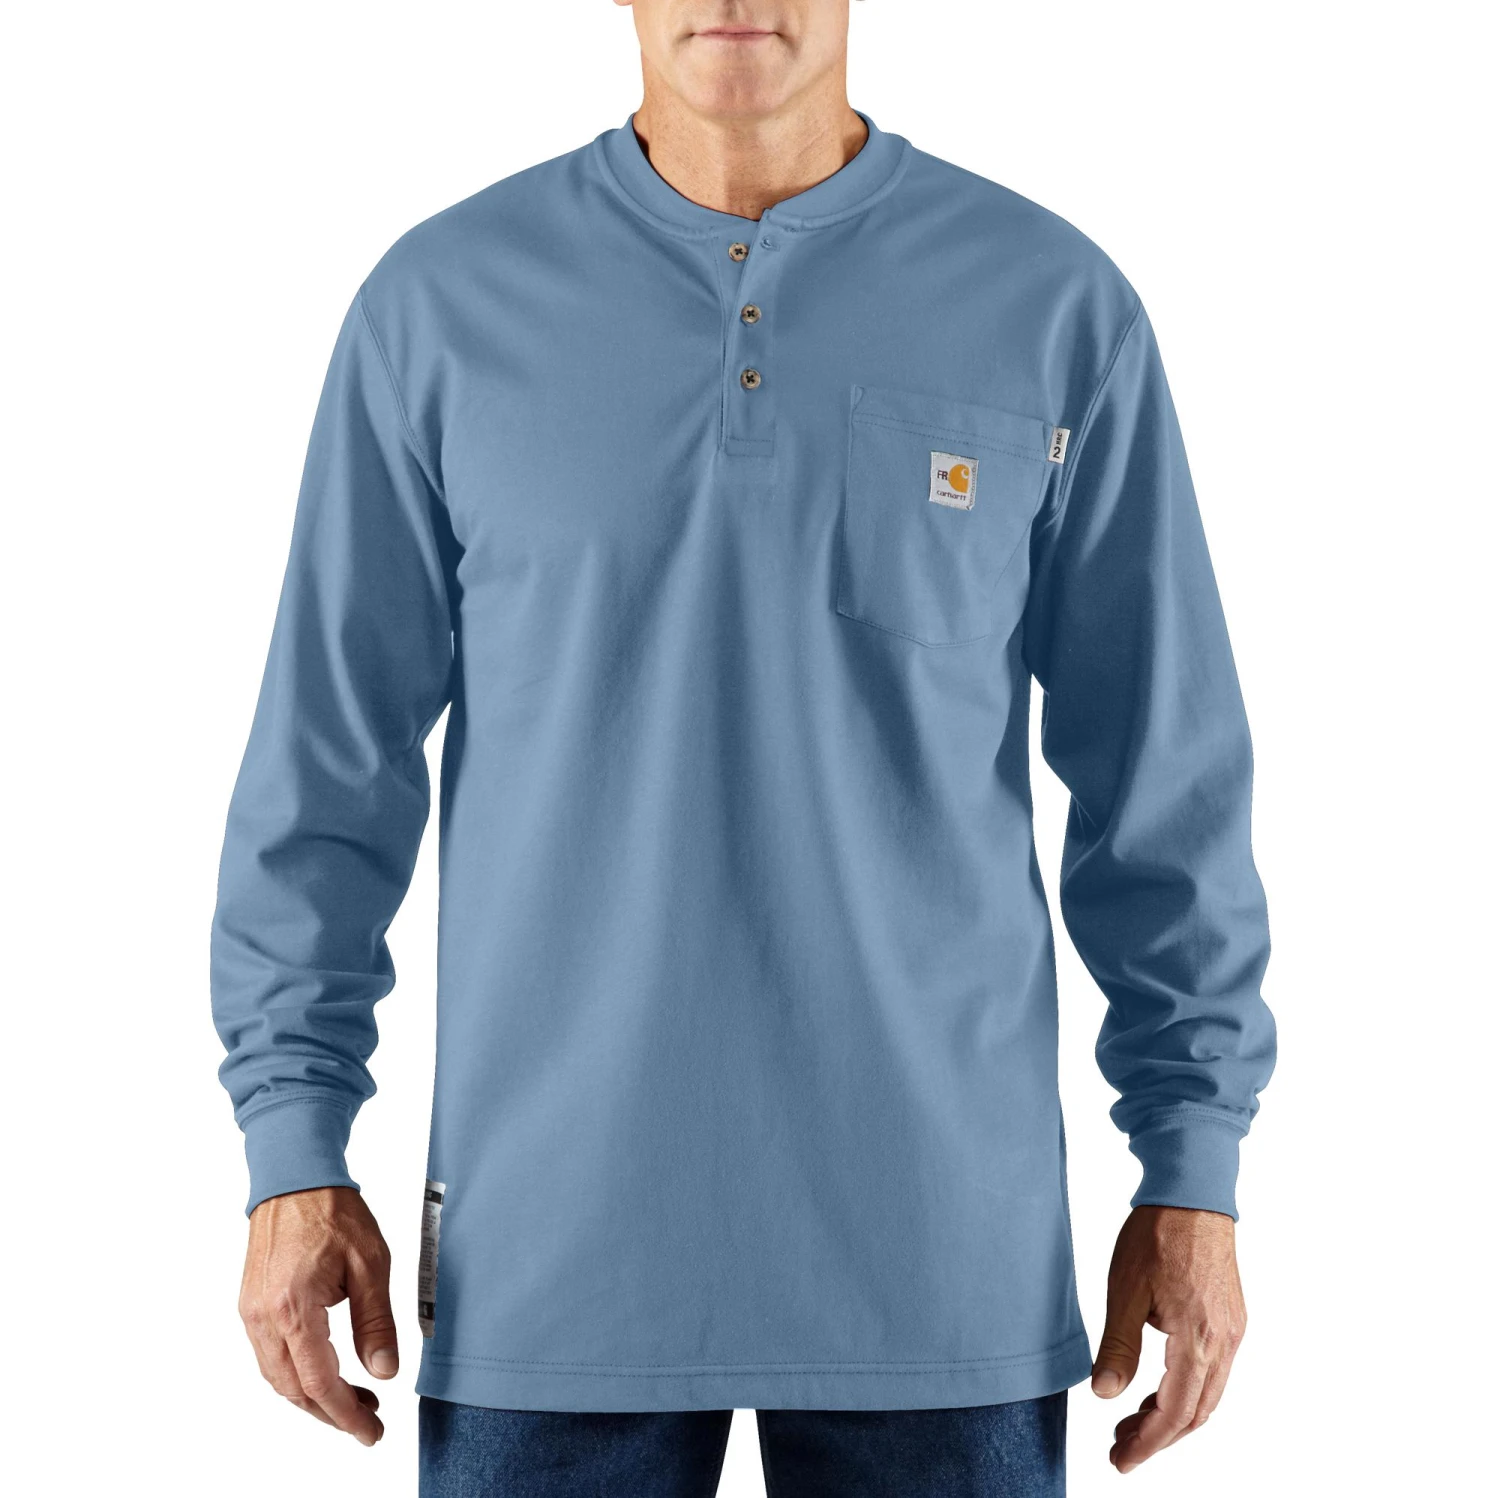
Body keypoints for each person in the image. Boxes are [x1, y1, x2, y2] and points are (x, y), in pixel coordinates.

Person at [212, 2, 1276, 1491]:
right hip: (550, 1263)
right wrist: (293, 1141)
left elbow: (1162, 779)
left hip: (941, 1269)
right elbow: (326, 771)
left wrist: (1193, 1166)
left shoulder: (1053, 306)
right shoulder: (437, 308)